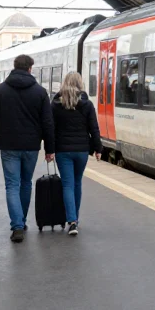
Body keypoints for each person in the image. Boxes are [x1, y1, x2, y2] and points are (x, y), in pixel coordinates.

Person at [0, 54, 55, 243]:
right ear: (30, 68)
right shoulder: (40, 92)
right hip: (31, 146)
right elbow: (48, 123)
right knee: (26, 183)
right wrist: (50, 148)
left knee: (12, 185)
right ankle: (21, 221)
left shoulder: (0, 91)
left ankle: (17, 226)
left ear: (14, 67)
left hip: (8, 145)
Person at [51, 72, 101, 236]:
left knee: (67, 184)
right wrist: (98, 149)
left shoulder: (56, 103)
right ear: (80, 84)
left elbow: (51, 129)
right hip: (81, 150)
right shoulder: (87, 104)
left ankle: (72, 221)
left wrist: (49, 149)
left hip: (63, 150)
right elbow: (94, 128)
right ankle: (75, 220)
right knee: (77, 183)